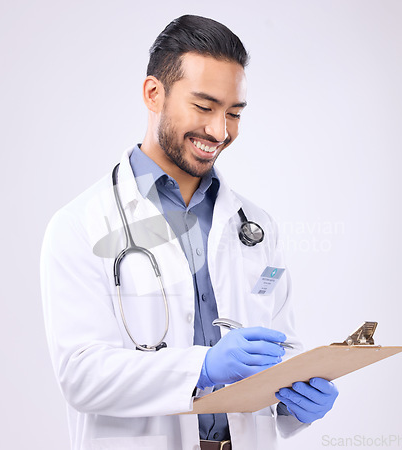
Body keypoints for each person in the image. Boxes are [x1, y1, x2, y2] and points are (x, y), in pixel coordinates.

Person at [40, 14, 338, 450]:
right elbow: (82, 376)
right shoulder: (78, 225)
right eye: (204, 107)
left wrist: (296, 400)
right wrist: (203, 367)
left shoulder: (256, 227)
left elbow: (282, 344)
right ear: (153, 93)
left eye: (233, 113)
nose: (219, 131)